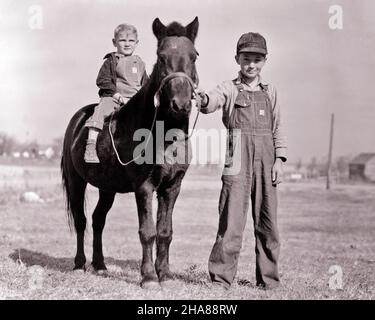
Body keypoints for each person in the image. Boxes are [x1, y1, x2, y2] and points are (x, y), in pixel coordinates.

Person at [198, 32, 287, 290]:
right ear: (237, 59)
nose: (251, 65)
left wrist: (279, 159)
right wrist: (203, 100)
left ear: (264, 61)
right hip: (236, 155)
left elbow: (278, 127)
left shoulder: (271, 91)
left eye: (257, 59)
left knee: (268, 222)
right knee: (231, 220)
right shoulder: (228, 87)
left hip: (267, 159)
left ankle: (269, 280)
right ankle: (221, 279)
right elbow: (211, 102)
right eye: (246, 59)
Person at [84, 23, 148, 163]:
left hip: (136, 100)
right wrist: (117, 96)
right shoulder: (111, 61)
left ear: (137, 43)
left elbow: (146, 84)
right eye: (122, 40)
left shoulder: (140, 63)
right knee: (101, 109)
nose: (127, 44)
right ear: (114, 42)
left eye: (131, 41)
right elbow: (103, 80)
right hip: (114, 98)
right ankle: (91, 145)